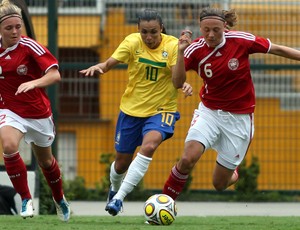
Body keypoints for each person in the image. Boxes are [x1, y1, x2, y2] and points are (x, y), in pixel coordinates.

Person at [162, 7, 300, 200]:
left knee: (219, 184)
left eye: (216, 30)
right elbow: (177, 83)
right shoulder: (194, 49)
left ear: (224, 26)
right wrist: (179, 53)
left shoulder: (241, 40)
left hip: (239, 120)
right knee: (187, 159)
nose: (210, 34)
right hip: (209, 113)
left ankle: (233, 171)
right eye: (206, 29)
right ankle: (164, 202)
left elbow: (275, 48)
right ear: (200, 28)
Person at [80, 8, 193, 216]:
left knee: (149, 145)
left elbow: (178, 82)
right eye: (144, 32)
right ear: (138, 30)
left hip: (162, 110)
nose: (149, 37)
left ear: (162, 29)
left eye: (153, 32)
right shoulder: (132, 42)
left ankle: (118, 199)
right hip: (131, 111)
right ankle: (114, 188)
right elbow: (108, 64)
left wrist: (181, 52)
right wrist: (100, 67)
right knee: (121, 163)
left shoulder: (172, 45)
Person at [0, 0, 70, 221]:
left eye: (18, 27)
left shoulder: (29, 46)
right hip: (9, 110)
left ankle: (59, 199)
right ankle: (25, 199)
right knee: (10, 146)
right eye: (9, 28)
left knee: (46, 162)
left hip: (38, 113)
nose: (15, 31)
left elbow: (55, 74)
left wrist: (34, 83)